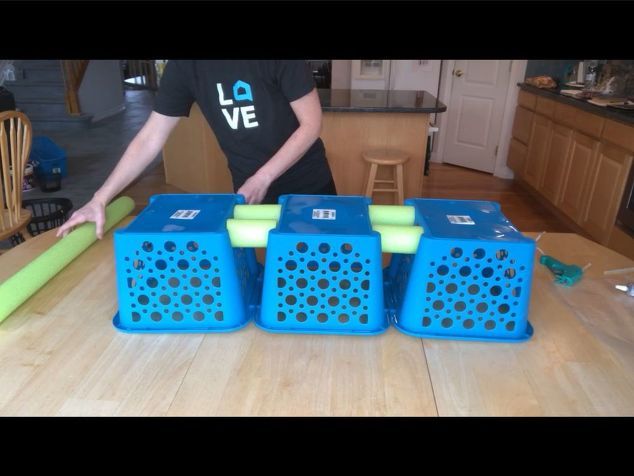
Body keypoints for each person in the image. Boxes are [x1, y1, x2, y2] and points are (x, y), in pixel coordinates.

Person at [57, 60, 336, 239]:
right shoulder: (185, 67)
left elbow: (311, 124)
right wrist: (100, 198)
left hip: (306, 184)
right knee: (263, 276)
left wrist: (262, 177)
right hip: (248, 191)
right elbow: (151, 137)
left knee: (317, 270)